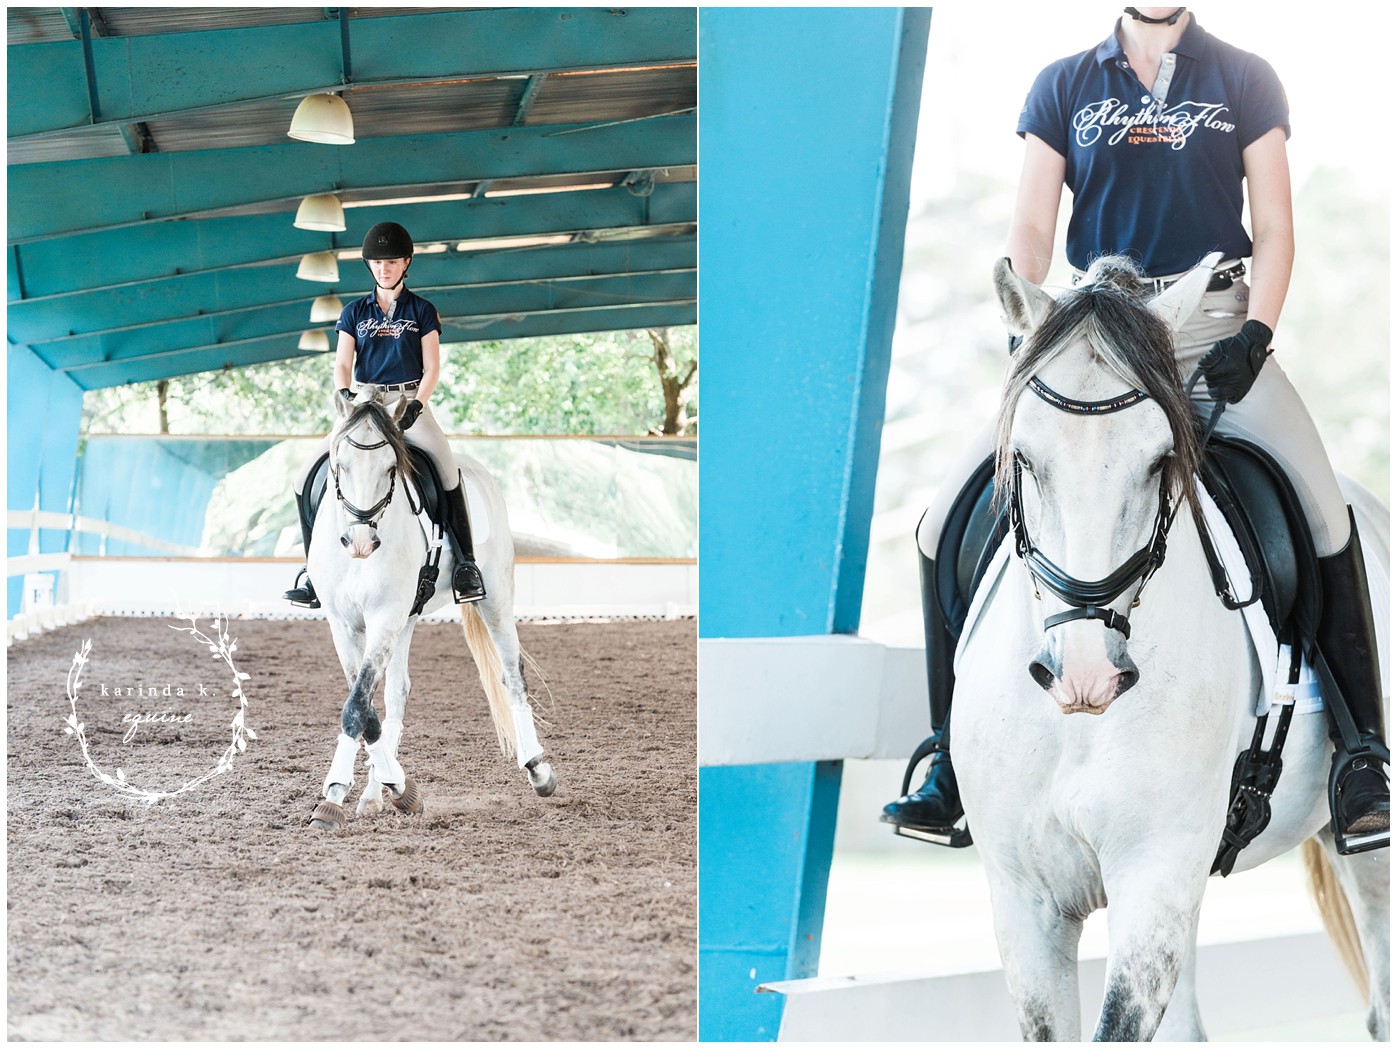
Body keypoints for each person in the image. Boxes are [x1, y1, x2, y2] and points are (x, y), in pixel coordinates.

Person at [881, 7, 1389, 853]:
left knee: (1323, 513)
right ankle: (946, 759)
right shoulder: (1062, 85)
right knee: (940, 524)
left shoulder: (1243, 76)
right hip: (1094, 336)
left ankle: (1361, 753)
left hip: (1208, 323)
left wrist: (1254, 333)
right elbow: (1032, 230)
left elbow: (1274, 227)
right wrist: (1027, 323)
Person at [284, 221, 487, 607]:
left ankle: (466, 565)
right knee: (303, 475)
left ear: (406, 263)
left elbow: (432, 368)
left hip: (408, 400)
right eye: (377, 263)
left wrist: (417, 405)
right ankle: (312, 572)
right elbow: (342, 364)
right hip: (363, 403)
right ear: (369, 266)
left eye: (391, 262)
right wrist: (345, 395)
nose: (384, 269)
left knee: (447, 470)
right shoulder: (353, 312)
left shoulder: (422, 310)